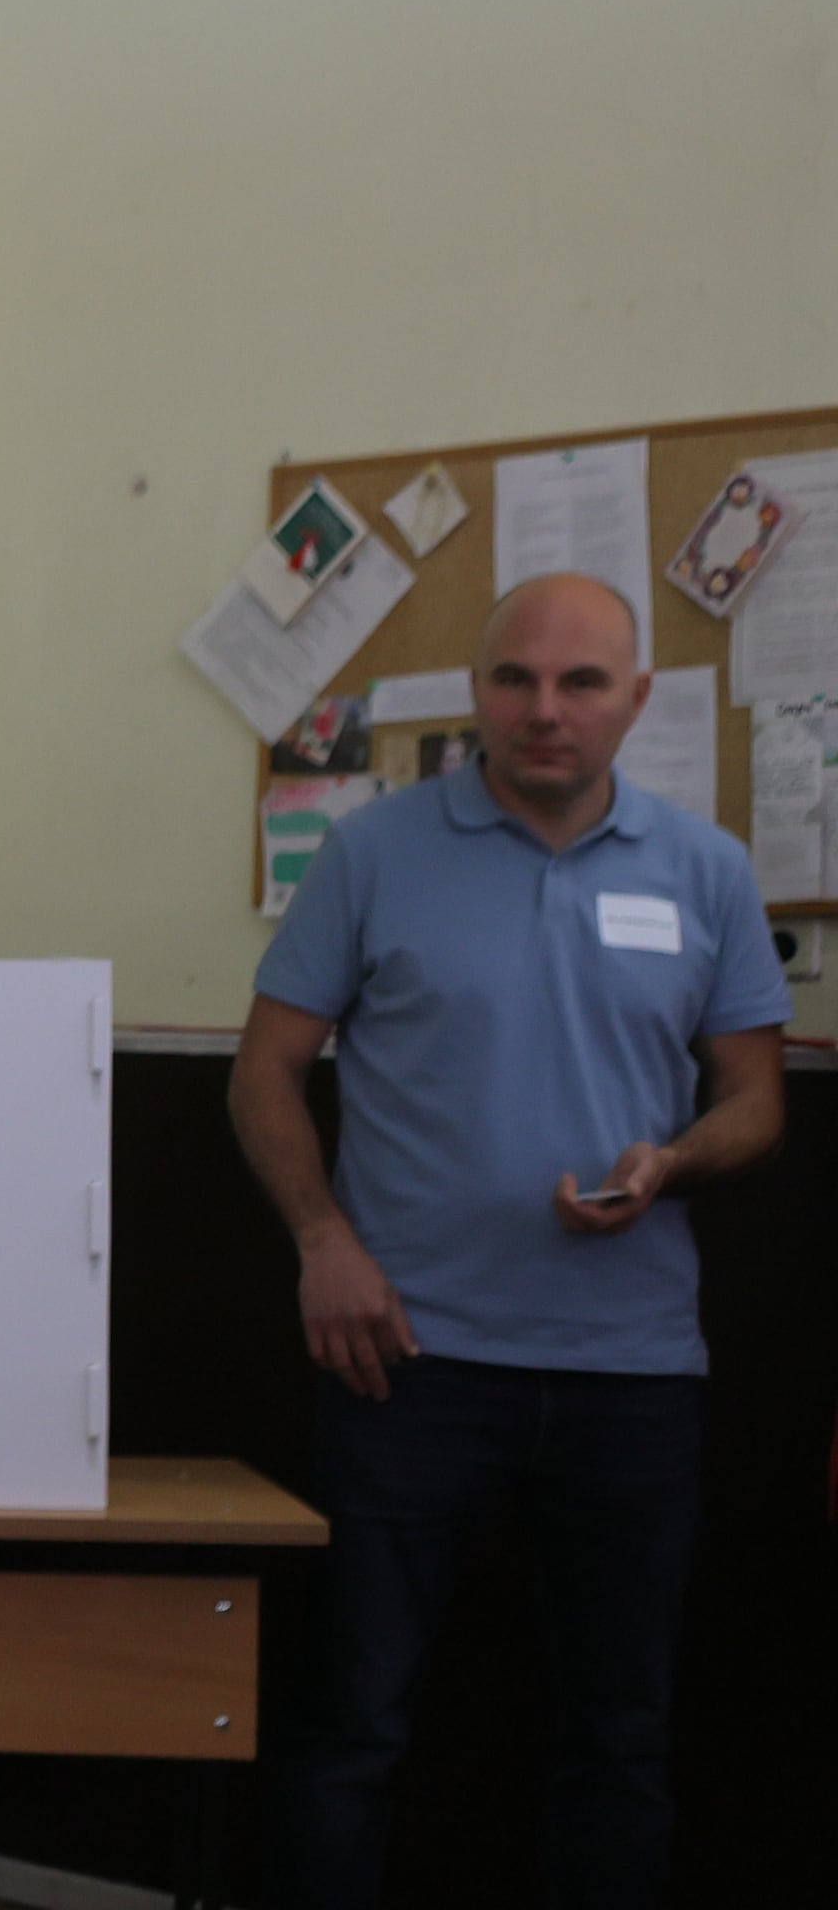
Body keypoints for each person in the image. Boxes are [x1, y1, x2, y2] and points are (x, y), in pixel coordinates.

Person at [232, 571, 788, 1908]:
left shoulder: (705, 870)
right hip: (405, 1361)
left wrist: (672, 1162)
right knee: (351, 1730)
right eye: (514, 680)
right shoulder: (372, 851)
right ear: (477, 694)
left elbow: (756, 1101)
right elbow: (264, 1071)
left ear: (636, 700)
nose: (545, 710)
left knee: (621, 1742)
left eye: (582, 681)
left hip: (636, 1378)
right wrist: (323, 1240)